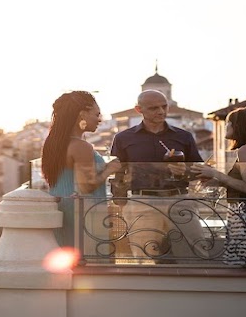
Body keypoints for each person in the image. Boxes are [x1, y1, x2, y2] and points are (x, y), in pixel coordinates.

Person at [109, 89, 208, 260]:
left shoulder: (184, 136)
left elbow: (197, 170)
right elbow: (118, 173)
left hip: (179, 200)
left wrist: (185, 171)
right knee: (144, 257)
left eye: (164, 106)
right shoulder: (123, 138)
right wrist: (121, 203)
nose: (161, 111)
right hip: (142, 202)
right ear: (139, 110)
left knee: (199, 250)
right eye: (154, 108)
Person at [190, 106, 246, 265]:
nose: (226, 127)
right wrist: (216, 181)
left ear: (239, 126)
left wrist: (216, 174)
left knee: (244, 264)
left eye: (228, 123)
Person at [41, 90, 122, 247]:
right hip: (82, 212)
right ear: (82, 114)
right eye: (96, 114)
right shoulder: (81, 146)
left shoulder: (54, 143)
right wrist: (110, 169)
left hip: (63, 207)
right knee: (90, 261)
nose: (99, 119)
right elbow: (86, 186)